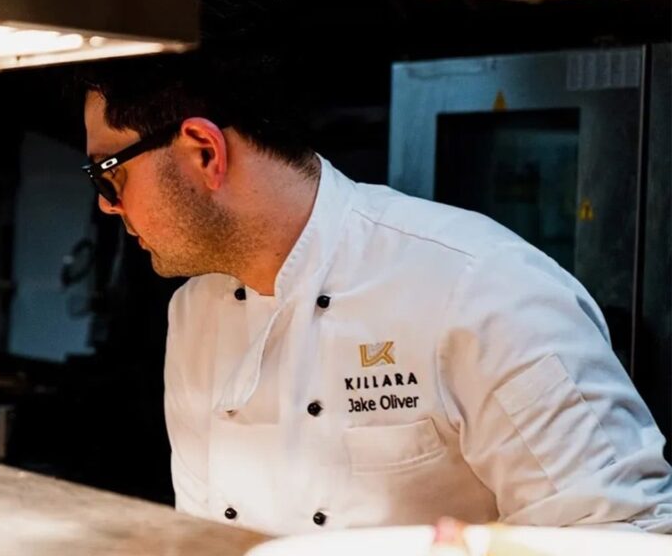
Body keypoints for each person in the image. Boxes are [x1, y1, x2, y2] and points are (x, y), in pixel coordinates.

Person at [78, 52, 672, 535]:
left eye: (110, 173)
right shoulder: (195, 309)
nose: (107, 205)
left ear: (204, 152)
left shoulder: (479, 286)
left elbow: (618, 533)